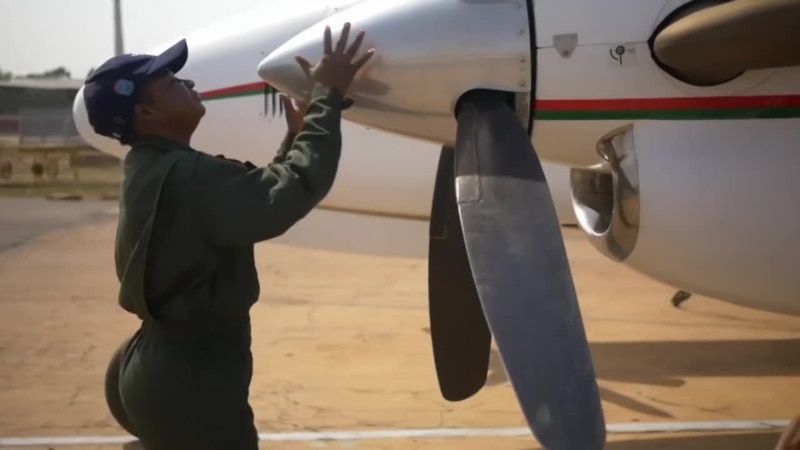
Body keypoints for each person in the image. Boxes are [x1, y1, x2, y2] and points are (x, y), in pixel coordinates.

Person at [83, 22, 374, 450]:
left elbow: (248, 200)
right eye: (172, 82)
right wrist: (327, 96)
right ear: (147, 114)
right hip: (191, 383)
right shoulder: (187, 176)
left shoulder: (154, 168)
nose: (189, 82)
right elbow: (290, 193)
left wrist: (295, 136)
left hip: (159, 367)